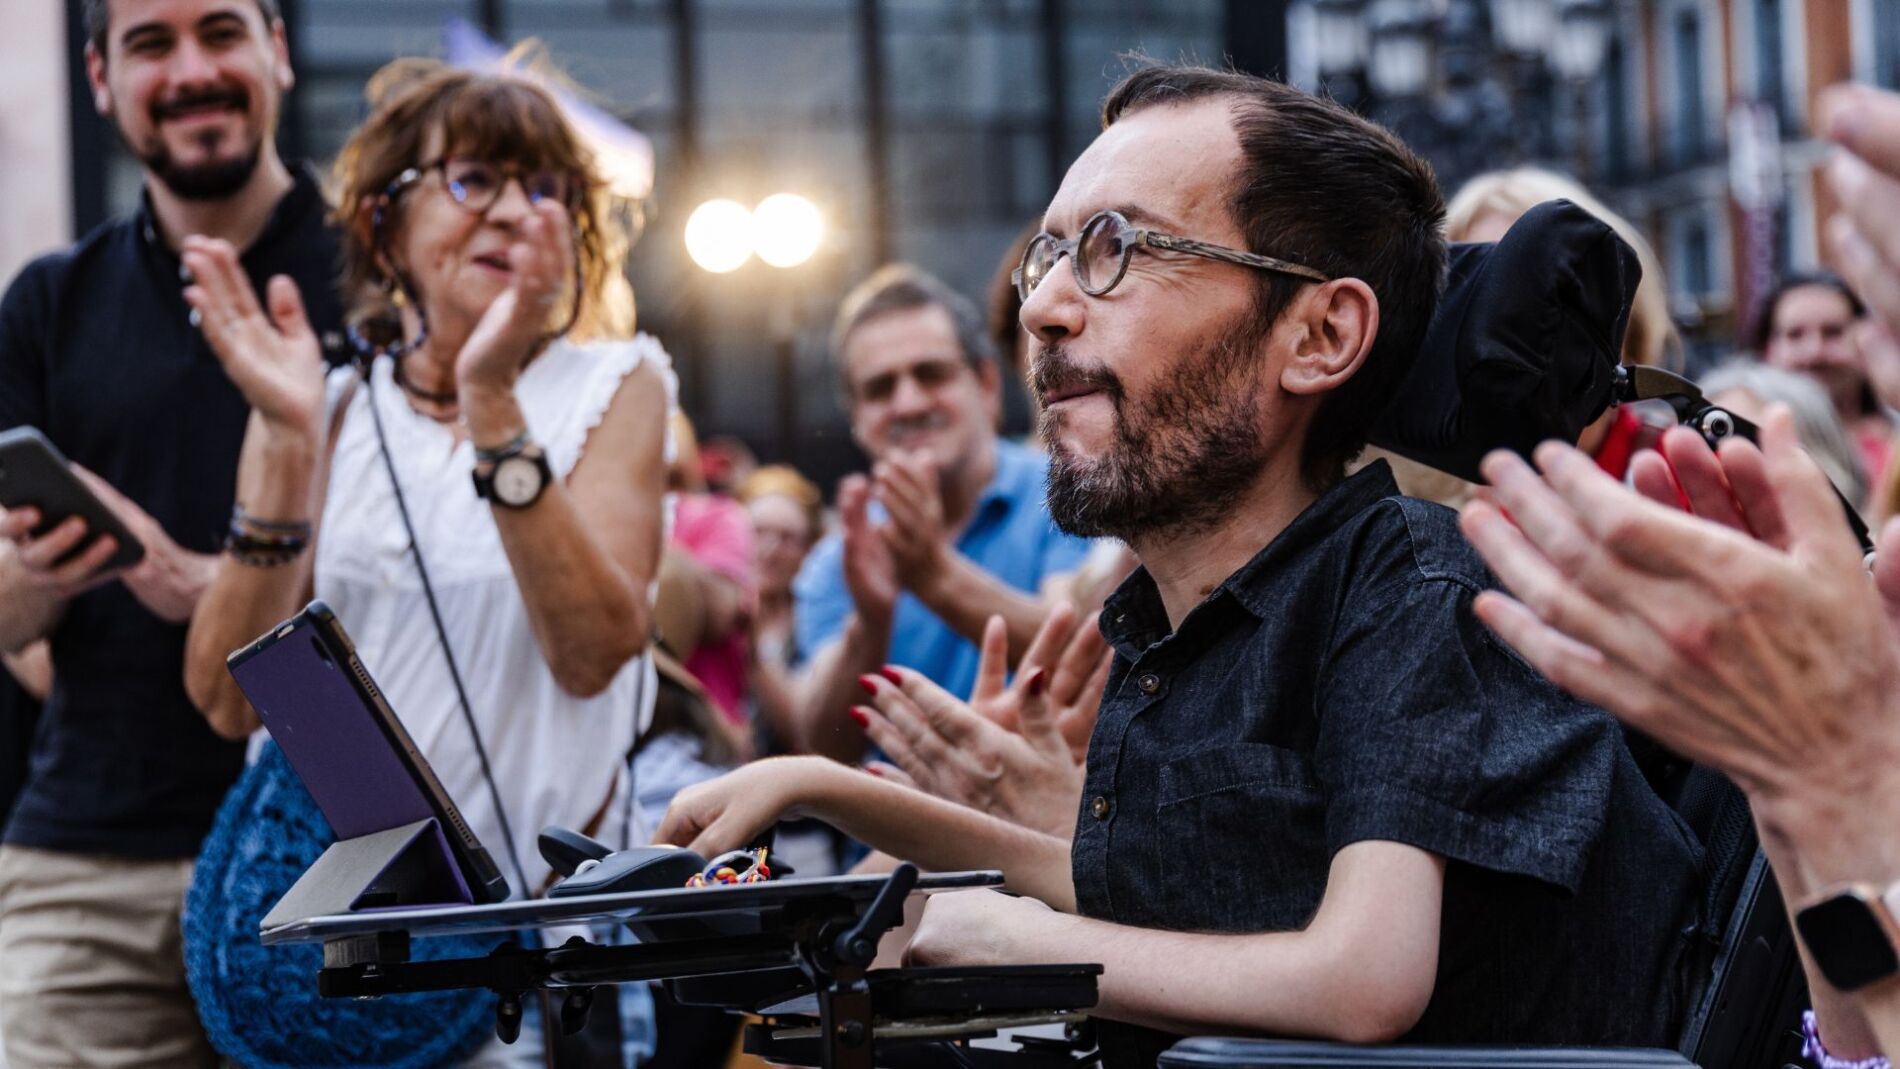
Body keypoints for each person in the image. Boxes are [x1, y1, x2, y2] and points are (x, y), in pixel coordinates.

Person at [659, 63, 1703, 1066]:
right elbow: (1133, 888)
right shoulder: (1182, 618)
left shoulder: (1412, 590)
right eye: (1048, 255)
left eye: (1116, 249)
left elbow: (1364, 978)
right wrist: (817, 788)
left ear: (1320, 335)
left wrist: (1019, 941)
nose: (1043, 307)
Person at [178, 56, 671, 1063]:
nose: (513, 211)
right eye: (473, 178)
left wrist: (490, 398)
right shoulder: (329, 405)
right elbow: (226, 702)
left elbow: (592, 652)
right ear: (384, 224)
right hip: (350, 952)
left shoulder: (619, 381)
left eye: (544, 188)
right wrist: (286, 444)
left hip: (531, 955)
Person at [1455, 79, 1900, 1068]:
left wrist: (1826, 780)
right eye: (1474, 296)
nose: (1503, 346)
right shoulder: (1396, 526)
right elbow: (1860, 1038)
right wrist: (1806, 793)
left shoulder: (1699, 489)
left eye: (1541, 303)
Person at [0, 0, 343, 1063]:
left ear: (278, 51)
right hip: (92, 863)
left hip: (343, 850)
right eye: (151, 44)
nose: (191, 70)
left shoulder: (384, 276)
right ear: (100, 80)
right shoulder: (49, 301)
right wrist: (36, 576)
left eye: (220, 32)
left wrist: (221, 588)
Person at [786, 264, 1090, 762]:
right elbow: (824, 743)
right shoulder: (838, 560)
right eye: (880, 388)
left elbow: (1091, 657)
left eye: (931, 374)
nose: (907, 403)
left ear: (987, 385)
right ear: (857, 419)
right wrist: (870, 623)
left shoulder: (1068, 492)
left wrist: (934, 576)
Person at [1374, 166, 1680, 509]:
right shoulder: (1404, 506)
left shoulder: (1691, 482)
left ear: (1626, 327)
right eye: (1479, 303)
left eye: (1534, 296)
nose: (1501, 345)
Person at [1752, 271, 1892, 491]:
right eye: (1795, 335)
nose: (1814, 352)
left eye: (1832, 333)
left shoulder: (1894, 445)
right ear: (1767, 349)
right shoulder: (1749, 445)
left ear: (1865, 341)